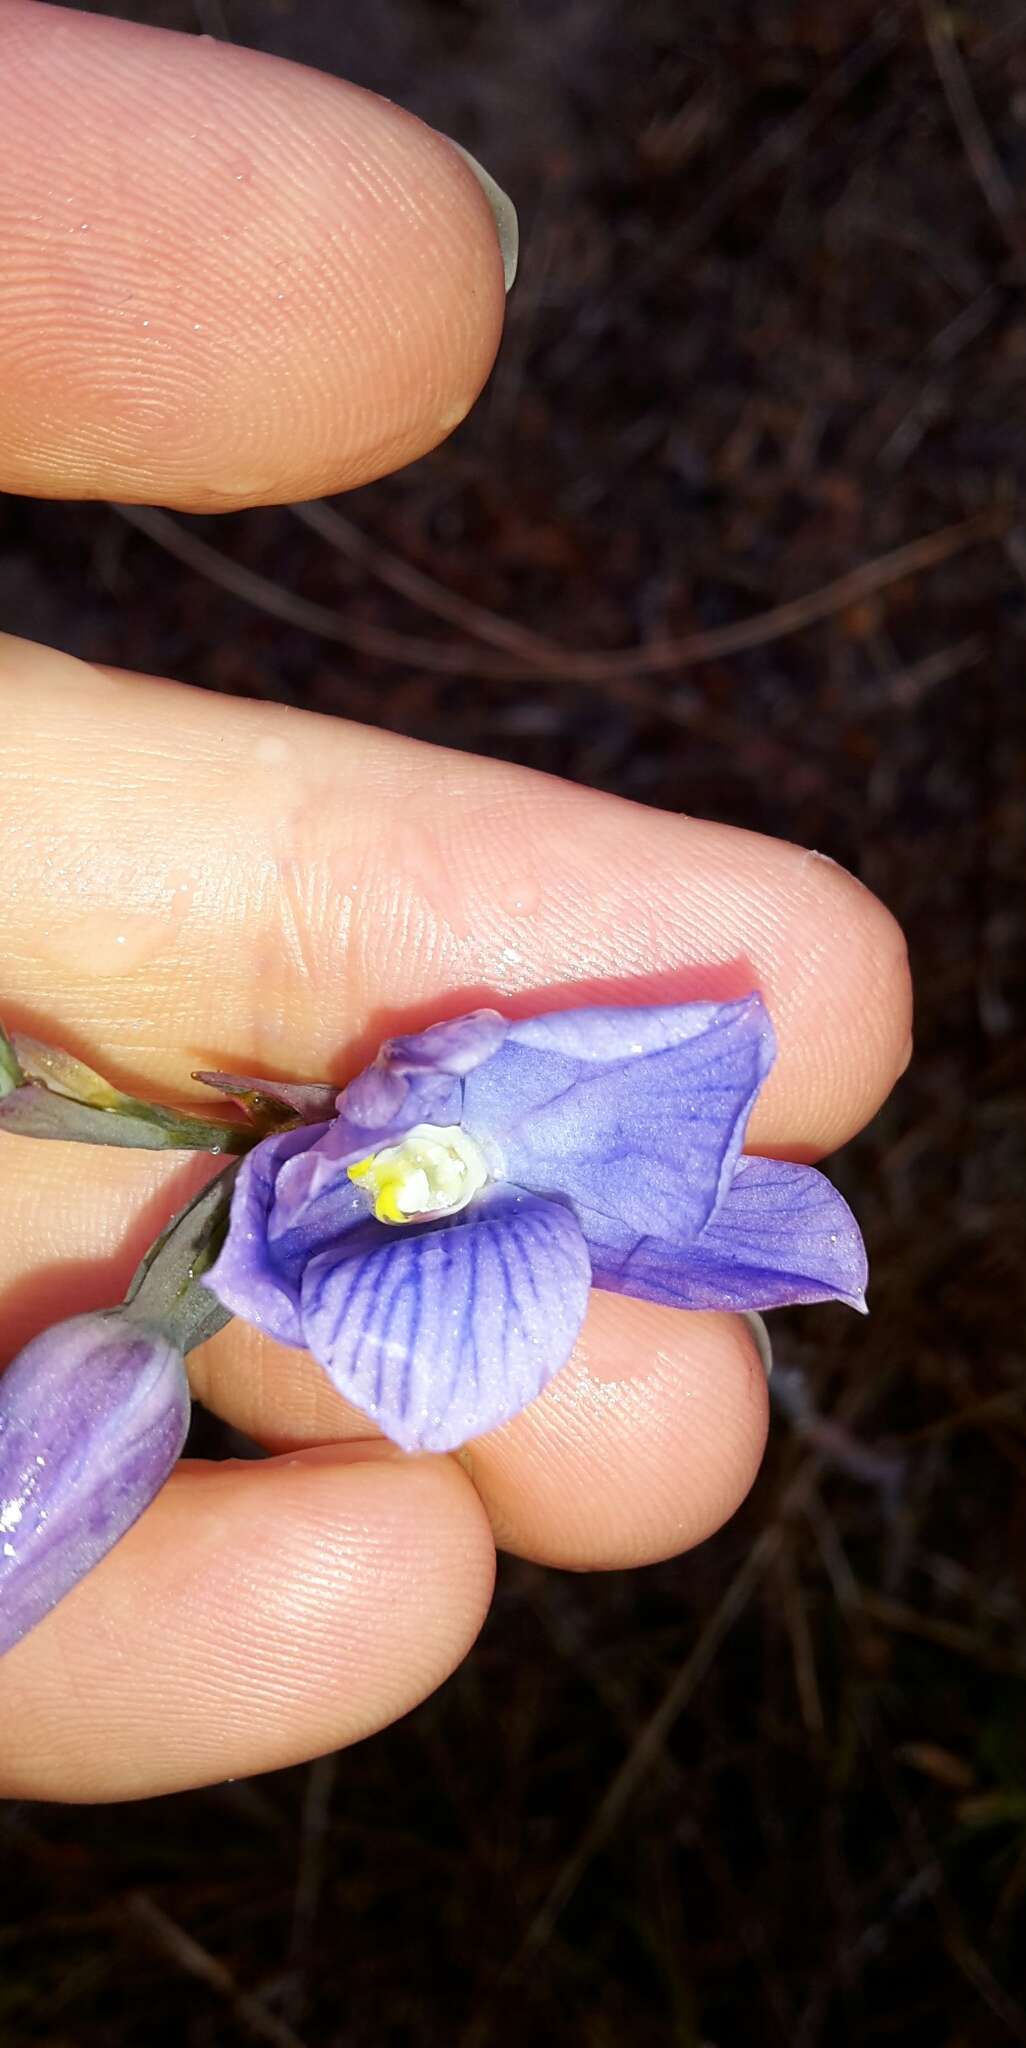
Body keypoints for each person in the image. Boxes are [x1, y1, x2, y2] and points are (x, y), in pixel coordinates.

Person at [0, 3, 911, 1801]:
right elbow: (314, 1216)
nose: (386, 1134)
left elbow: (347, 1221)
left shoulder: (332, 1229)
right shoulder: (270, 1255)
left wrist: (357, 1190)